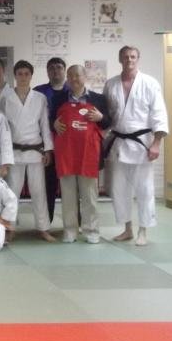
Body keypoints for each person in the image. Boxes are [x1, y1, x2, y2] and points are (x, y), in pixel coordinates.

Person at [103, 45, 168, 246]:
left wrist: (156, 143)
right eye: (125, 57)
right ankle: (127, 229)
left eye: (133, 57)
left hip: (142, 145)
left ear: (138, 59)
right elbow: (107, 116)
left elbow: (159, 114)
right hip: (118, 143)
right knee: (119, 189)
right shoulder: (111, 84)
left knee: (144, 189)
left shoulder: (150, 83)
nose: (129, 60)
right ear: (120, 59)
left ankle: (143, 231)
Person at [0, 60, 55, 242]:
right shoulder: (6, 97)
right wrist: (3, 154)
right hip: (14, 151)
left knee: (39, 191)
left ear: (31, 76)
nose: (23, 77)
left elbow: (44, 125)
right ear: (15, 76)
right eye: (20, 74)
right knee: (12, 191)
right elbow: (1, 127)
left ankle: (43, 228)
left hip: (35, 150)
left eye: (26, 74)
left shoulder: (40, 98)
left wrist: (48, 149)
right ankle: (10, 228)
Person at [52, 65, 110, 244]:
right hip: (67, 155)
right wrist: (54, 123)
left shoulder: (98, 99)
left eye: (77, 75)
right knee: (68, 196)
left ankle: (92, 230)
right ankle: (70, 230)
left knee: (89, 196)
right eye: (70, 76)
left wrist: (101, 117)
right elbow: (49, 119)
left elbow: (109, 122)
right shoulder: (59, 98)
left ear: (85, 77)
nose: (74, 79)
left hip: (88, 156)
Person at [34, 57, 69, 224]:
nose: (55, 71)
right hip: (47, 146)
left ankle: (73, 224)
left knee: (71, 187)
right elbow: (33, 118)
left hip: (69, 146)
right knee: (48, 185)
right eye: (52, 68)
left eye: (59, 67)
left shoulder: (73, 90)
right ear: (47, 71)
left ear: (64, 70)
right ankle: (46, 224)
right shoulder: (38, 91)